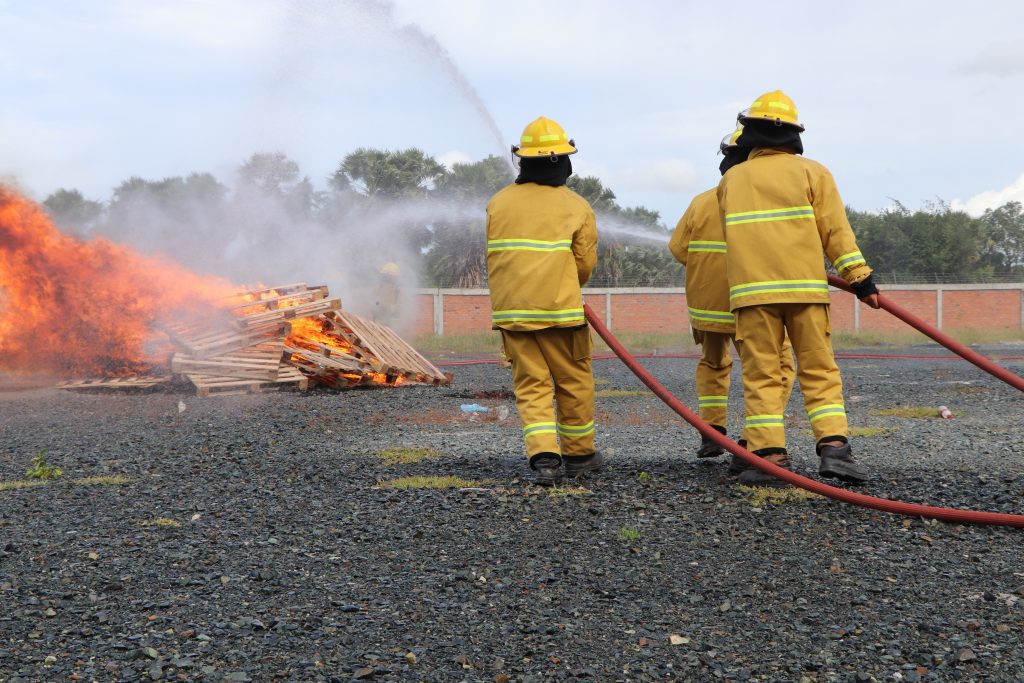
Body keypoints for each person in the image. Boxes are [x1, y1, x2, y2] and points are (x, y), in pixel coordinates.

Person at [718, 90, 881, 488]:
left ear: (751, 133)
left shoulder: (731, 181)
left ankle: (768, 456)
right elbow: (835, 232)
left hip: (753, 297)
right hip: (806, 293)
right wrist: (860, 279)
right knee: (818, 370)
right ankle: (835, 450)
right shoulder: (814, 172)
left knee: (761, 375)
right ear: (793, 133)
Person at [668, 127, 795, 467]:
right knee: (774, 367)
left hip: (706, 307)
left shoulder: (701, 201)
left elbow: (678, 249)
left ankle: (712, 431)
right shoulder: (766, 197)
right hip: (750, 302)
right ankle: (756, 438)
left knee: (713, 364)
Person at [486, 116, 601, 486]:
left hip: (514, 317)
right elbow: (584, 264)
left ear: (524, 160)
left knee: (531, 385)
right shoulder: (575, 205)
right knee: (573, 381)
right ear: (562, 162)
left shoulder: (498, 203)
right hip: (560, 314)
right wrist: (566, 284)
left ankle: (544, 458)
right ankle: (580, 455)